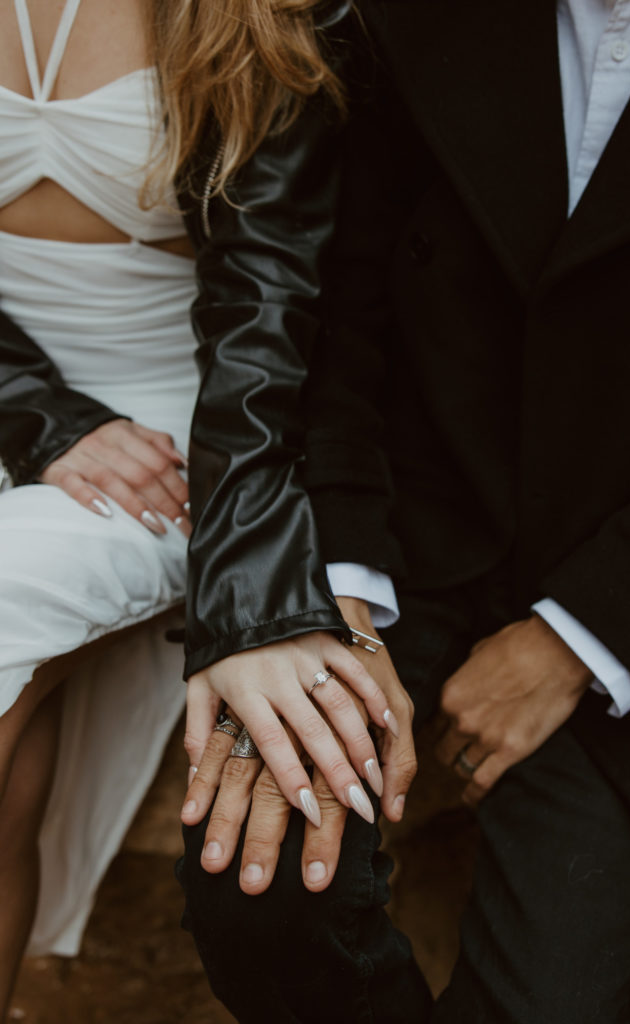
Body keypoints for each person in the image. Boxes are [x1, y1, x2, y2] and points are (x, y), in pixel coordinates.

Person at [176, 1, 630, 1022]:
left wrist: (577, 642)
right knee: (259, 890)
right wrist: (338, 595)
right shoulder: (401, 15)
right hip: (404, 536)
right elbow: (338, 304)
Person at [0, 0, 384, 1016]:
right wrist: (31, 414)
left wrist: (246, 588)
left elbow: (266, 304)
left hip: (180, 427)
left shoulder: (241, 10)